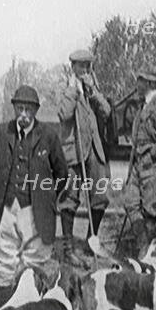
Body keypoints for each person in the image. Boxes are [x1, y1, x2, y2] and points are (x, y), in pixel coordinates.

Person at [0, 85, 68, 309]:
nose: (24, 114)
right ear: (14, 108)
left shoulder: (49, 136)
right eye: (20, 108)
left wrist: (47, 198)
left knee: (33, 267)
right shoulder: (2, 132)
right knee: (6, 267)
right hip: (7, 210)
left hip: (36, 213)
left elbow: (61, 173)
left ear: (36, 111)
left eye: (29, 110)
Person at [57, 49, 111, 268]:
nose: (85, 70)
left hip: (93, 151)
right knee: (69, 198)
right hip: (74, 151)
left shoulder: (92, 91)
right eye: (81, 66)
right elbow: (64, 114)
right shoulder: (64, 89)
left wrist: (92, 92)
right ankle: (68, 249)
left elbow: (106, 112)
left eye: (88, 66)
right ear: (73, 68)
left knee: (100, 197)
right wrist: (74, 90)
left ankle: (91, 242)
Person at [123, 69, 156, 255]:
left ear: (151, 83)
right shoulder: (143, 106)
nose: (137, 84)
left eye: (141, 80)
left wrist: (152, 155)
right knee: (130, 201)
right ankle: (143, 247)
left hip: (154, 165)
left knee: (152, 212)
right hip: (139, 164)